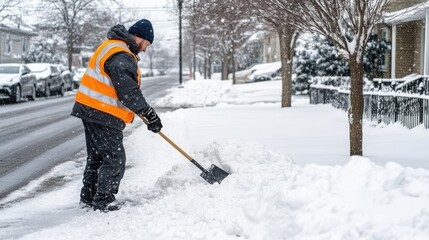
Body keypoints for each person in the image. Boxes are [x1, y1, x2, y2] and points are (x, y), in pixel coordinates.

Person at [71, 19, 163, 212]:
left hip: (91, 108)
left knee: (97, 157)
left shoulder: (113, 46)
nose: (145, 49)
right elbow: (128, 92)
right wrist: (150, 114)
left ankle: (88, 197)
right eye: (146, 44)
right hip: (102, 111)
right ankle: (103, 201)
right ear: (139, 37)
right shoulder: (121, 54)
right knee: (114, 158)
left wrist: (147, 115)